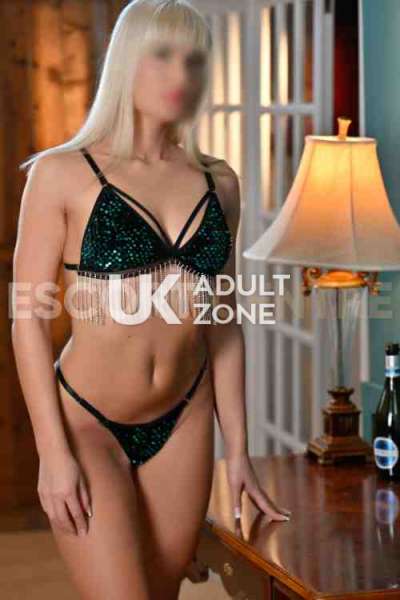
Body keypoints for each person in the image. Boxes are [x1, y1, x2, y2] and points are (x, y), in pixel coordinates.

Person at [11, 1, 291, 598]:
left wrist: (240, 451)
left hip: (184, 419)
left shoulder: (220, 182)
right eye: (162, 56)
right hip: (89, 421)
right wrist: (52, 454)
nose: (180, 75)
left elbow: (222, 322)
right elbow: (27, 322)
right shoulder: (62, 174)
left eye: (194, 61)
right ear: (127, 61)